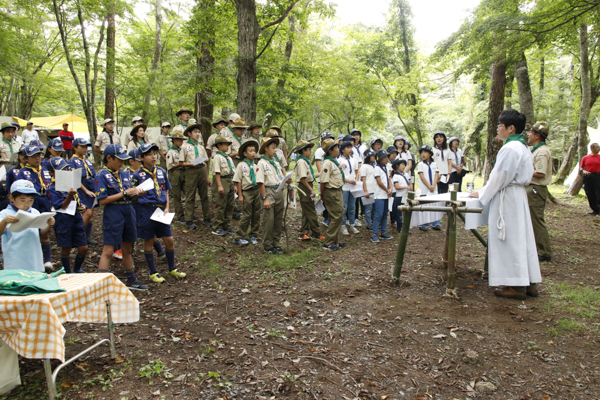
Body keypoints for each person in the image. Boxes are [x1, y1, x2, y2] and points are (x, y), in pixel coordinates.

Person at [470, 109, 542, 300]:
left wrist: (482, 193)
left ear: (511, 128)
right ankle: (529, 283)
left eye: (500, 126)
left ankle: (516, 285)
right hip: (516, 196)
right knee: (522, 238)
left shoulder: (510, 149)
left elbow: (500, 176)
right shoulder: (522, 146)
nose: (497, 129)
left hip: (508, 197)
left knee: (509, 239)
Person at [95, 144, 148, 290]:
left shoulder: (124, 174)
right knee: (108, 250)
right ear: (109, 158)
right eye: (119, 159)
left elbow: (130, 196)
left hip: (128, 211)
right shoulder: (101, 175)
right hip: (113, 213)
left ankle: (131, 280)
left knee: (128, 248)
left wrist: (137, 194)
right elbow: (102, 200)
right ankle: (101, 285)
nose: (122, 162)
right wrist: (125, 193)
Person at [131, 143, 185, 283]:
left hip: (161, 209)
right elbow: (132, 197)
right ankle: (153, 272)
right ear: (141, 157)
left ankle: (172, 268)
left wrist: (167, 206)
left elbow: (165, 190)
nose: (153, 156)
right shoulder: (137, 175)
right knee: (149, 239)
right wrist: (138, 194)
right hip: (146, 209)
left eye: (155, 153)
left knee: (169, 239)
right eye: (149, 154)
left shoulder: (161, 171)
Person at [0, 180, 55, 272]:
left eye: (31, 200)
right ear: (12, 198)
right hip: (15, 260)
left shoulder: (34, 212)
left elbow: (41, 232)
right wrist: (5, 221)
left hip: (34, 258)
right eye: (22, 200)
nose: (27, 203)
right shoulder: (5, 213)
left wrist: (49, 225)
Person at [46, 157, 88, 274]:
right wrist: (70, 195)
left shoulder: (70, 184)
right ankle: (68, 272)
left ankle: (77, 268)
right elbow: (62, 206)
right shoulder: (52, 188)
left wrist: (81, 206)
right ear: (51, 173)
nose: (64, 171)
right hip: (63, 219)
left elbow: (76, 200)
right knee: (66, 247)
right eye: (60, 170)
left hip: (76, 217)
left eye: (65, 168)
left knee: (83, 247)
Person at [17, 144, 54, 271]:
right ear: (26, 158)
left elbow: (49, 186)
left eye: (38, 155)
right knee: (32, 232)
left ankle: (48, 261)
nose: (37, 158)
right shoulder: (23, 172)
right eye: (33, 156)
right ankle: (31, 259)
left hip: (45, 203)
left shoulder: (43, 169)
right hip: (32, 204)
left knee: (45, 231)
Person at [525, 122, 553, 263]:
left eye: (531, 132)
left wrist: (523, 172)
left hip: (536, 189)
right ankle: (537, 248)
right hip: (531, 188)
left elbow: (540, 173)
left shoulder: (541, 152)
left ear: (537, 135)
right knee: (530, 220)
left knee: (536, 220)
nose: (528, 135)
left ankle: (544, 251)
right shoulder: (535, 150)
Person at [256, 136, 287, 254]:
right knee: (269, 219)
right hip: (268, 191)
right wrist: (265, 198)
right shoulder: (261, 163)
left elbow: (279, 177)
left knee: (278, 219)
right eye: (273, 148)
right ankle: (268, 245)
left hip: (278, 190)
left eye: (276, 148)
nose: (275, 150)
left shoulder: (276, 163)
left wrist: (286, 180)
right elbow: (261, 182)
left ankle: (276, 243)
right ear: (266, 149)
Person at [180, 122, 212, 230]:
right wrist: (191, 164)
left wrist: (207, 177)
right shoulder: (185, 146)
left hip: (202, 170)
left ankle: (207, 218)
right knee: (190, 195)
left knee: (204, 195)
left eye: (199, 132)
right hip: (191, 171)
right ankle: (189, 219)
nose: (198, 134)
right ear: (189, 133)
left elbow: (205, 162)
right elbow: (181, 163)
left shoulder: (201, 147)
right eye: (195, 132)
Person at [70, 138, 99, 245]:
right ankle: (77, 235)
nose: (85, 149)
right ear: (75, 147)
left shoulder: (86, 160)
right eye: (82, 146)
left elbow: (93, 175)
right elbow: (75, 178)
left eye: (86, 147)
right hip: (81, 188)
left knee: (91, 213)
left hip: (91, 187)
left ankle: (87, 235)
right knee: (87, 212)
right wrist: (86, 190)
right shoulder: (72, 161)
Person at [233, 140, 261, 246]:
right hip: (247, 192)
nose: (253, 153)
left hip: (256, 191)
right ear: (245, 153)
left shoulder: (256, 165)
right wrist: (240, 195)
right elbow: (238, 181)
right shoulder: (241, 165)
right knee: (246, 215)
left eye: (254, 151)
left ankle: (253, 235)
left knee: (256, 214)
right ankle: (238, 236)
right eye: (251, 151)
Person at [319, 138, 346, 251]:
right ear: (330, 151)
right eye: (336, 148)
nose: (338, 150)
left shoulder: (333, 162)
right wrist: (322, 195)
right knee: (336, 216)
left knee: (338, 215)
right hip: (331, 192)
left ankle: (334, 240)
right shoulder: (327, 164)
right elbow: (323, 181)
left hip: (337, 190)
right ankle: (328, 242)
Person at [293, 140, 323, 241]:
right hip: (304, 187)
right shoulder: (301, 162)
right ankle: (316, 233)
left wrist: (321, 173)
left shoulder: (306, 162)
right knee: (311, 211)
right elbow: (303, 178)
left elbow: (311, 176)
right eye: (309, 149)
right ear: (304, 151)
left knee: (306, 211)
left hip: (307, 185)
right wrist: (311, 190)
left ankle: (304, 232)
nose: (311, 151)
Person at [211, 135, 236, 236]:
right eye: (225, 144)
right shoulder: (217, 157)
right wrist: (219, 185)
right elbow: (217, 172)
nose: (227, 146)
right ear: (219, 145)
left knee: (230, 204)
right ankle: (217, 226)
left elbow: (233, 172)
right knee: (221, 204)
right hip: (222, 180)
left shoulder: (228, 158)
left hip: (230, 180)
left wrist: (234, 185)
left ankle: (227, 225)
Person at [417, 144, 441, 231]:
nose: (423, 154)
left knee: (435, 205)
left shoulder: (434, 164)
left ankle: (436, 223)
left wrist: (434, 185)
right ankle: (424, 224)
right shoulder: (420, 164)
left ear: (430, 154)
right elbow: (421, 176)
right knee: (424, 207)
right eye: (422, 152)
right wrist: (428, 186)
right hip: (424, 189)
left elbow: (436, 175)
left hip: (434, 189)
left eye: (425, 152)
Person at [338, 140, 359, 235]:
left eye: (351, 147)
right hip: (344, 187)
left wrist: (356, 180)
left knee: (352, 207)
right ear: (342, 150)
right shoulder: (339, 160)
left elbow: (356, 171)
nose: (350, 149)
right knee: (344, 207)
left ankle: (352, 225)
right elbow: (338, 175)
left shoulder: (353, 160)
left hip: (353, 187)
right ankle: (342, 226)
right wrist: (348, 180)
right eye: (348, 148)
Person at [372, 149, 393, 242]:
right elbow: (379, 182)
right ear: (379, 159)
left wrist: (391, 189)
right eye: (384, 157)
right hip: (379, 195)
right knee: (378, 214)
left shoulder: (386, 168)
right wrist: (387, 190)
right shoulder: (377, 168)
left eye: (387, 157)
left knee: (385, 214)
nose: (386, 159)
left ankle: (383, 232)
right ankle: (374, 233)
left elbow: (389, 179)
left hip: (386, 195)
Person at [166, 129, 186, 223]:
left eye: (182, 140)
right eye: (179, 140)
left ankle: (188, 214)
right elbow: (170, 166)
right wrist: (181, 164)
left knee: (186, 193)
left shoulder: (182, 150)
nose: (181, 142)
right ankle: (179, 215)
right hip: (175, 173)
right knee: (177, 195)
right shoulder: (170, 152)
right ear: (173, 140)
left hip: (184, 172)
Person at [391, 159, 412, 232]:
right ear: (397, 166)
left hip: (406, 195)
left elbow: (410, 182)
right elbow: (397, 187)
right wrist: (406, 187)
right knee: (399, 213)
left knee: (407, 212)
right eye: (402, 164)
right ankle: (400, 228)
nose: (404, 166)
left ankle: (406, 227)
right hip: (399, 196)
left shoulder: (406, 174)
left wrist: (411, 188)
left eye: (404, 164)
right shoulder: (395, 176)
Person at [581, 143, 600, 216]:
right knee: (589, 193)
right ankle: (594, 210)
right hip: (588, 176)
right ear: (592, 148)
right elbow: (581, 168)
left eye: (599, 147)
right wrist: (584, 171)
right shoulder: (585, 158)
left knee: (598, 193)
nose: (598, 149)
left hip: (598, 176)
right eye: (597, 147)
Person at [360, 149, 376, 231]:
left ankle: (374, 223)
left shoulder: (374, 166)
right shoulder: (364, 166)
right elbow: (363, 179)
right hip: (368, 190)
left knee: (374, 209)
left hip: (375, 190)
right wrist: (365, 191)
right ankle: (368, 224)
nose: (374, 157)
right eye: (372, 156)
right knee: (368, 209)